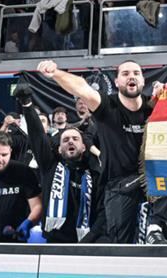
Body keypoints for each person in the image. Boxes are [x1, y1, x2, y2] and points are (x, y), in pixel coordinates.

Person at [36, 59, 167, 243]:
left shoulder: (155, 105)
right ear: (116, 82)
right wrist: (55, 73)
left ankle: (155, 227)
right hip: (119, 184)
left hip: (152, 180)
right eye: (125, 74)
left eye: (136, 73)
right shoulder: (107, 105)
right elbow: (81, 87)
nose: (131, 76)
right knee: (120, 243)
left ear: (143, 80)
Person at [15, 86, 100, 243]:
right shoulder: (50, 166)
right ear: (59, 149)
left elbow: (101, 210)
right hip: (55, 241)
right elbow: (38, 136)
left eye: (75, 139)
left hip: (87, 241)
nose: (70, 141)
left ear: (83, 147)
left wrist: (91, 238)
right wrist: (27, 104)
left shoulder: (94, 173)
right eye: (65, 140)